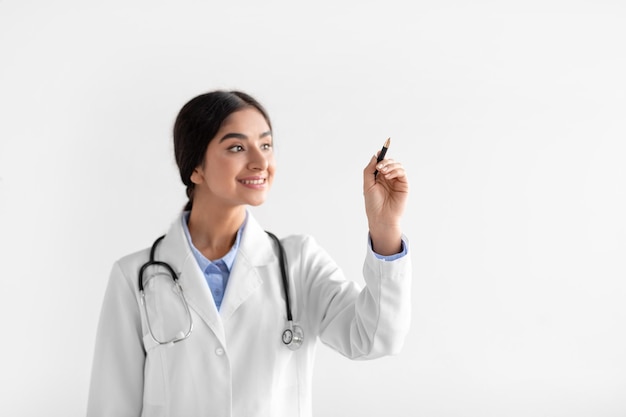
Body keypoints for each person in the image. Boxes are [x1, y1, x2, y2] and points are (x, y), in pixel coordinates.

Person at [86, 90, 412, 417]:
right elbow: (110, 405)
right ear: (195, 167)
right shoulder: (134, 277)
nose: (260, 161)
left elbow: (377, 337)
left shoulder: (300, 263)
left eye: (266, 145)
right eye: (237, 147)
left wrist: (385, 228)